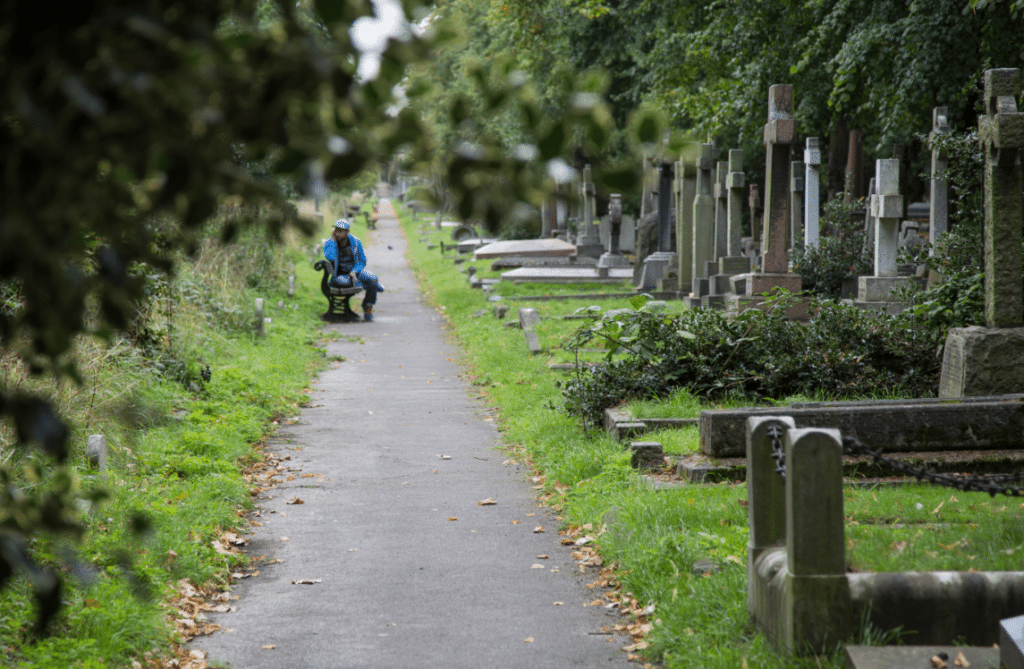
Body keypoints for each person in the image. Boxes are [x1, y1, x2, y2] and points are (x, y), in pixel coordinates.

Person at [323, 218, 384, 321]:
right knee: (346, 282)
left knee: (372, 278)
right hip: (340, 276)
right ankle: (374, 285)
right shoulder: (330, 243)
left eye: (341, 231)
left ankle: (367, 306)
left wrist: (354, 271)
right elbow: (330, 257)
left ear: (347, 232)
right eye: (337, 230)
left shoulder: (356, 242)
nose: (338, 233)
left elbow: (362, 261)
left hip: (355, 272)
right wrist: (333, 241)